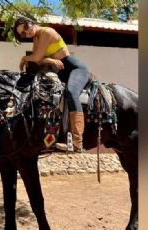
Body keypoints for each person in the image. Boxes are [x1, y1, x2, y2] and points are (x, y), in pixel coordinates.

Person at [13, 16, 90, 153]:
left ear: (31, 22)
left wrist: (25, 58)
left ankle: (78, 142)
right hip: (62, 72)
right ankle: (57, 137)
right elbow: (39, 60)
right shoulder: (37, 39)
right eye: (22, 34)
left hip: (75, 68)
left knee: (71, 92)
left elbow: (36, 58)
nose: (26, 32)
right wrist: (51, 60)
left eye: (25, 27)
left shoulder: (46, 32)